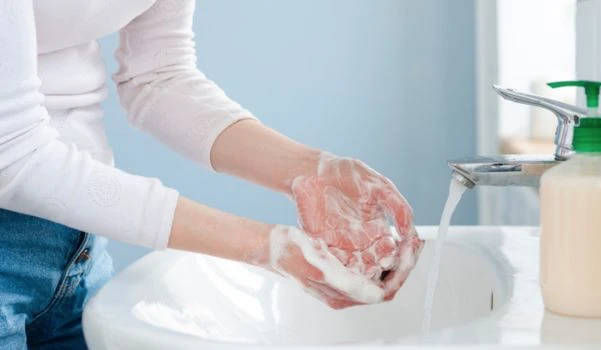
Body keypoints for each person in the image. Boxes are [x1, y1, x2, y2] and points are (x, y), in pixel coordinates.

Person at [0, 1, 423, 348]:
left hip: (77, 245)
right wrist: (270, 248)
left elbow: (158, 75)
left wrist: (309, 170)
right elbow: (14, 156)